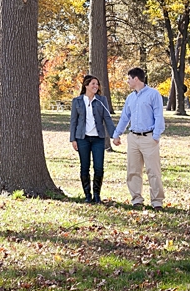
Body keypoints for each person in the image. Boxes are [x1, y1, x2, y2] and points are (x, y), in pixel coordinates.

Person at [112, 67, 166, 210]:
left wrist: (156, 136)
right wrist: (117, 134)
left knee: (153, 171)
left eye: (129, 79)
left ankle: (157, 201)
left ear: (136, 79)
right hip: (133, 138)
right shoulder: (130, 98)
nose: (128, 82)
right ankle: (136, 199)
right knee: (133, 170)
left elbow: (159, 116)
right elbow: (125, 117)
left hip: (149, 138)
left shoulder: (153, 94)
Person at [69, 75, 116, 203]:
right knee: (84, 167)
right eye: (93, 84)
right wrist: (73, 139)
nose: (96, 86)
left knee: (99, 167)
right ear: (86, 85)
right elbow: (73, 121)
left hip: (98, 139)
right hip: (82, 139)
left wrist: (114, 135)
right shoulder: (77, 101)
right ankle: (87, 195)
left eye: (97, 84)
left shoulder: (102, 100)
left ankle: (97, 195)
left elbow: (107, 118)